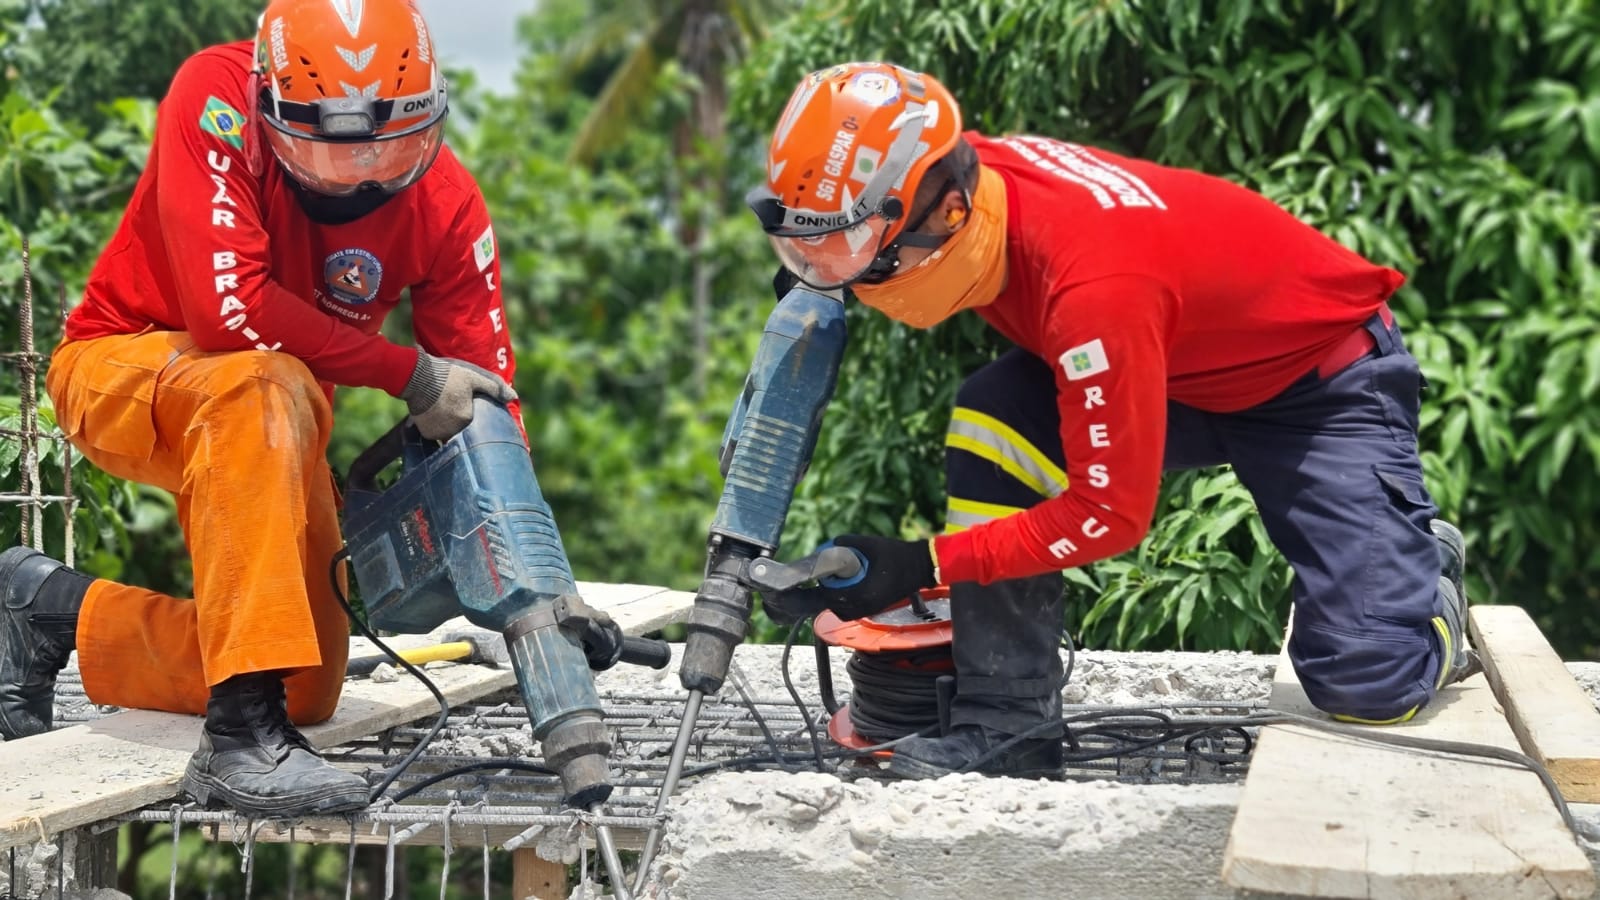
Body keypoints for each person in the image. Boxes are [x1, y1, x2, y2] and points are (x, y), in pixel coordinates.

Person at [751, 62, 1476, 780]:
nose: (837, 274)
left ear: (946, 213)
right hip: (1174, 359)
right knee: (997, 418)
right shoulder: (965, 176)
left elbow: (1109, 517)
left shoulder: (1093, 288)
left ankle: (1424, 574)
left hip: (1319, 385)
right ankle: (1008, 728)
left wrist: (922, 564)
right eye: (812, 248)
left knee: (1371, 686)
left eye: (851, 251)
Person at [0, 0, 517, 818]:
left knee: (308, 681)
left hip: (280, 424)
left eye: (390, 143)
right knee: (261, 377)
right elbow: (226, 313)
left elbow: (488, 411)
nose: (363, 173)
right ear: (270, 103)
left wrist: (532, 595)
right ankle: (239, 742)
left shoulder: (448, 205)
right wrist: (407, 374)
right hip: (123, 365)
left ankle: (50, 609)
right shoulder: (213, 95)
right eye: (327, 146)